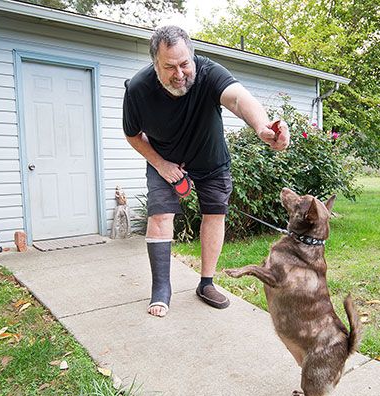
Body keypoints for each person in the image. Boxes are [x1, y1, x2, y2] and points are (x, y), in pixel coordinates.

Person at [122, 25, 289, 317]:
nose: (180, 73)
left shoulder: (209, 73)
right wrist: (161, 165)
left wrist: (262, 126)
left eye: (185, 63)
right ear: (154, 65)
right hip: (164, 161)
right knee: (160, 215)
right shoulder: (138, 89)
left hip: (210, 159)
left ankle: (206, 283)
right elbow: (133, 134)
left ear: (193, 57)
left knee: (215, 214)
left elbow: (238, 99)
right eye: (169, 67)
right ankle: (161, 288)